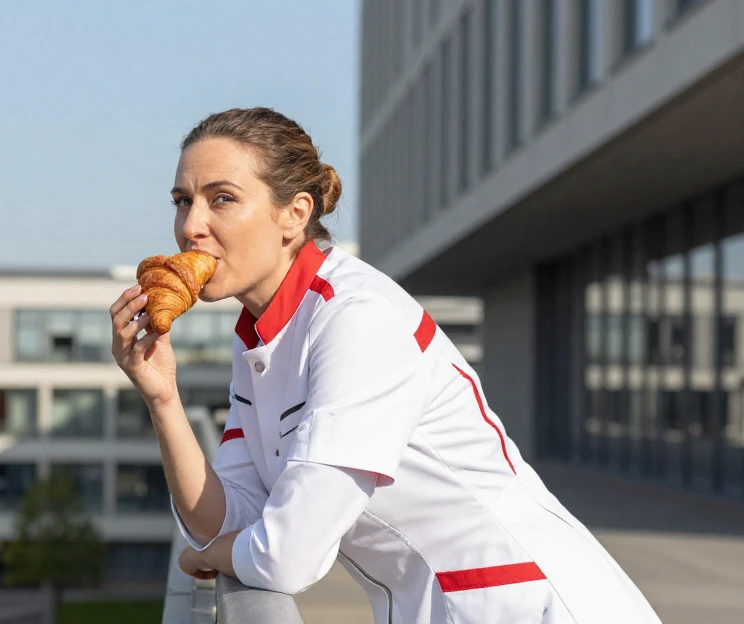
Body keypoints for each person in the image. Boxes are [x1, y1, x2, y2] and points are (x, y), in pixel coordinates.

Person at [109, 108, 661, 623]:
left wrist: (222, 554)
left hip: (529, 605)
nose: (191, 226)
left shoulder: (357, 319)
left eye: (221, 199)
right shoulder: (259, 333)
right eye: (182, 200)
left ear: (294, 215)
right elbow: (225, 520)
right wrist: (163, 400)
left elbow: (287, 557)